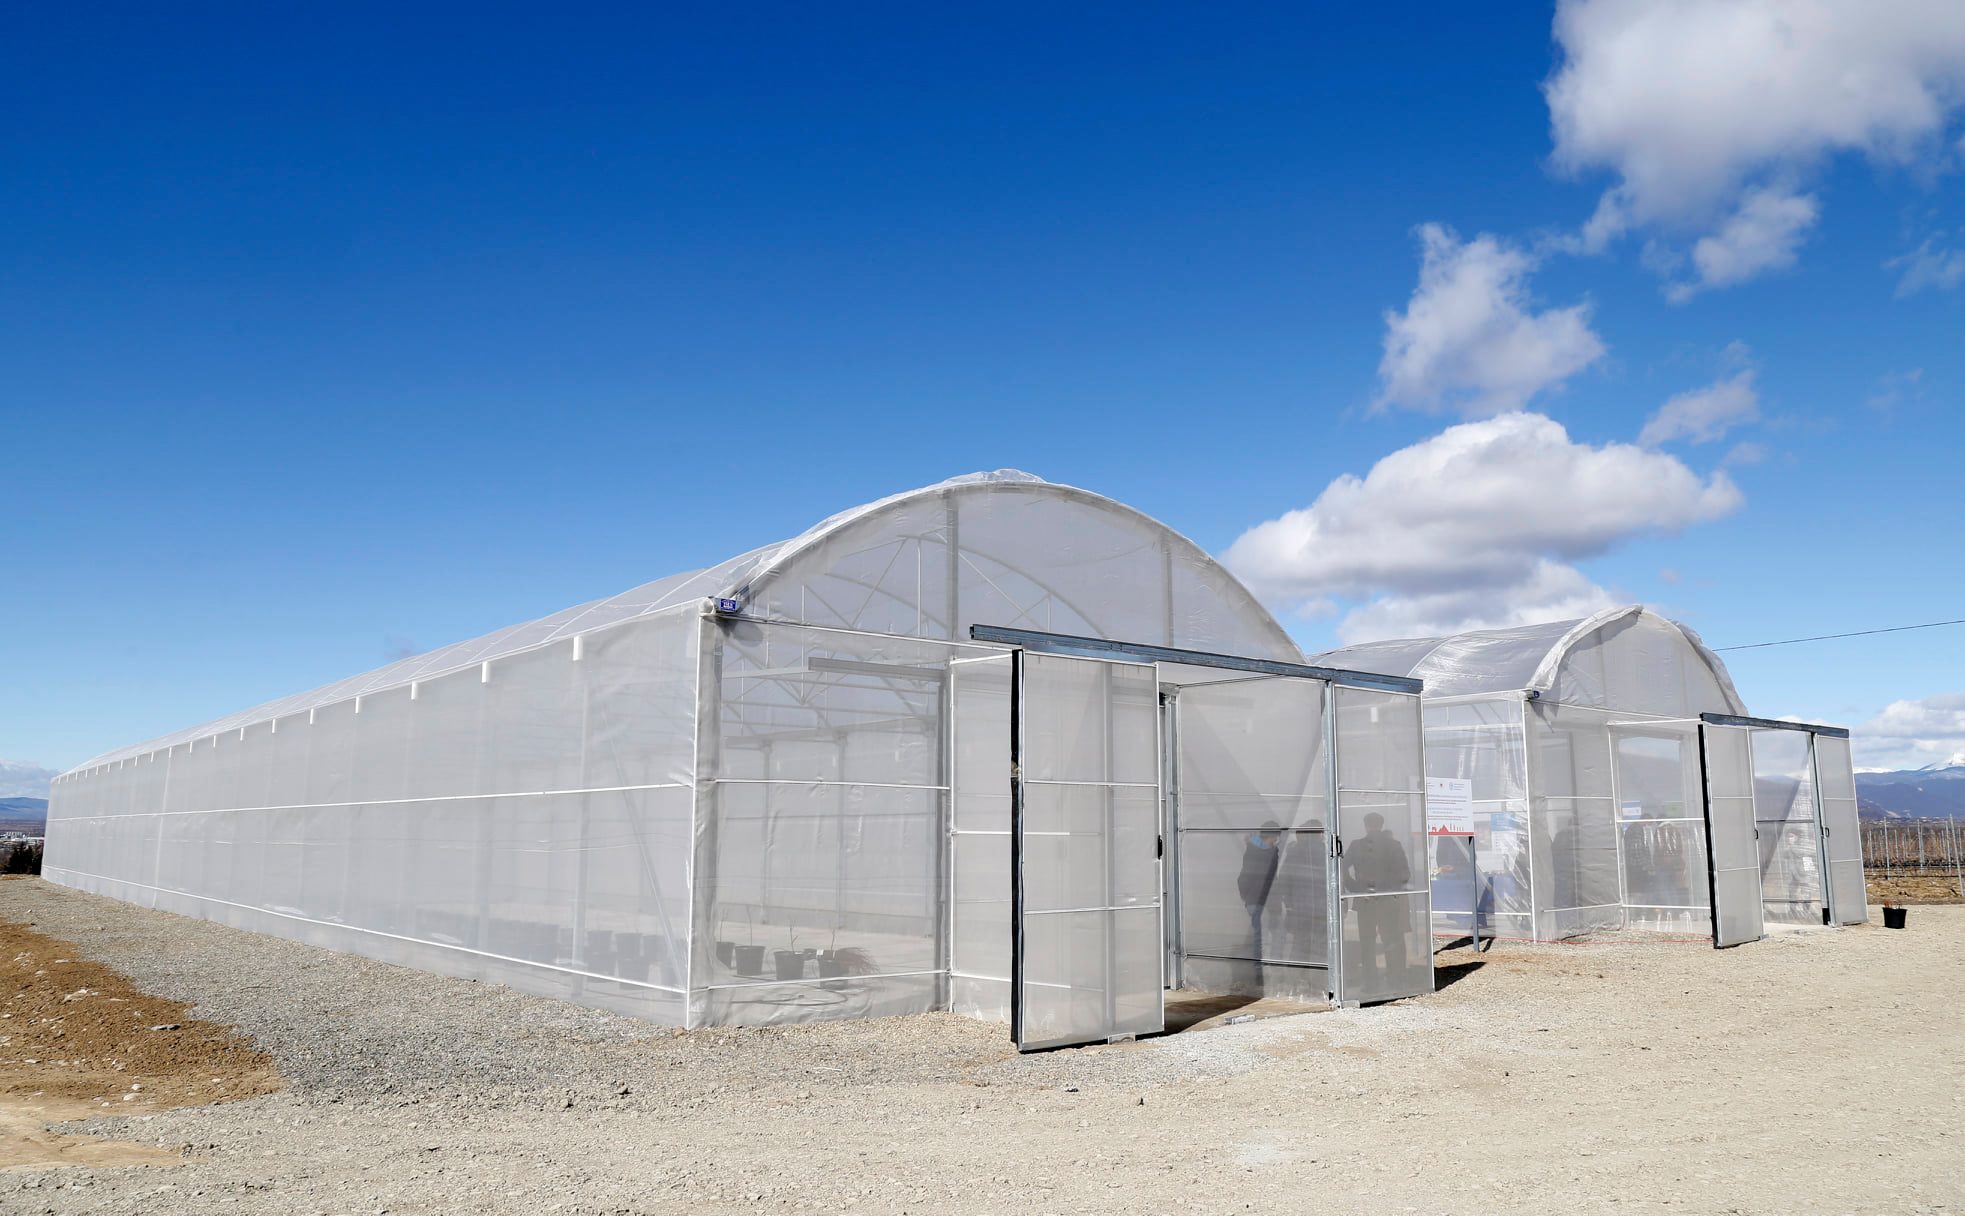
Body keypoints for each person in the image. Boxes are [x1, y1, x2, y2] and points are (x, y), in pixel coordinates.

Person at [1343, 811, 1411, 990]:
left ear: (1366, 825)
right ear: (1381, 825)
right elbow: (1405, 874)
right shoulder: (1394, 845)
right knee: (1391, 940)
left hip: (1364, 900)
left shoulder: (1356, 845)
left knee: (1367, 943)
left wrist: (1355, 888)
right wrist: (1392, 889)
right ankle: (1394, 980)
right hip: (1387, 901)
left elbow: (1342, 868)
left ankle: (1370, 982)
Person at [1237, 822, 1283, 961]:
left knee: (1261, 935)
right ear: (1273, 836)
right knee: (1265, 935)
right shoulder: (1267, 852)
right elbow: (1248, 877)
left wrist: (1247, 896)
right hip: (1262, 900)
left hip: (1257, 900)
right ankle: (1263, 965)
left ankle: (1262, 964)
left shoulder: (1256, 850)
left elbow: (1244, 876)